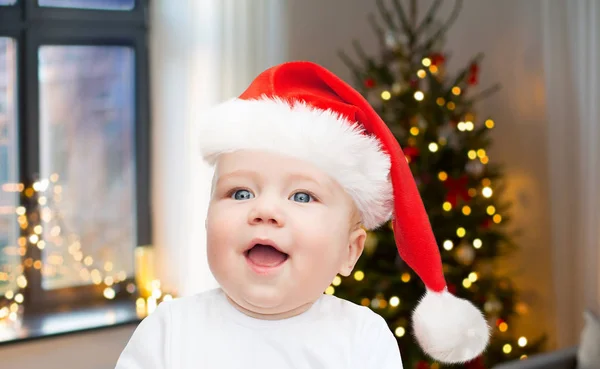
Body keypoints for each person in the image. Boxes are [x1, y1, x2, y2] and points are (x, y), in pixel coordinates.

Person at [115, 61, 489, 369]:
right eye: (240, 192)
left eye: (302, 196)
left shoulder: (362, 338)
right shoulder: (168, 332)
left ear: (350, 251)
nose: (265, 211)